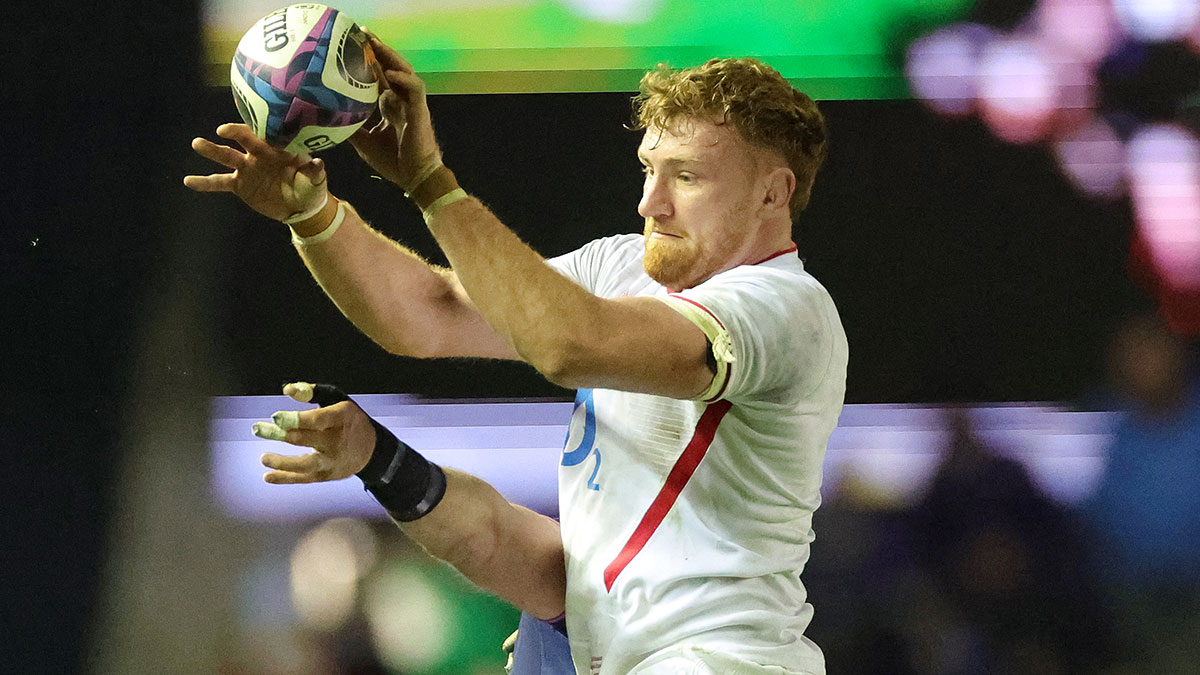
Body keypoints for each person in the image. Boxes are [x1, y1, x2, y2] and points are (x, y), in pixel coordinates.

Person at [186, 33, 846, 675]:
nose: (652, 201)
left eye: (688, 176)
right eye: (649, 168)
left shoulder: (784, 309)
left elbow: (569, 346)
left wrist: (429, 181)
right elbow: (431, 316)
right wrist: (315, 216)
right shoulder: (619, 266)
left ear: (773, 193)